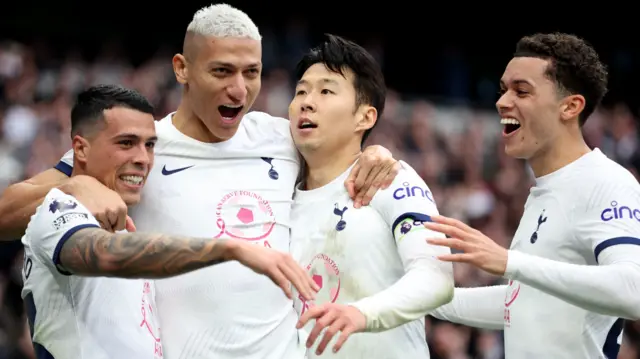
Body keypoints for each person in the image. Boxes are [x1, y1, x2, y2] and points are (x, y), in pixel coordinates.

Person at [0, 4, 399, 359]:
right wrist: (70, 186)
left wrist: (374, 153)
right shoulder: (140, 149)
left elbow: (346, 151)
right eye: (222, 71)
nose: (239, 89)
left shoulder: (282, 138)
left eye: (251, 72)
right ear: (182, 69)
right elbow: (6, 212)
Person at [22, 84, 317, 359]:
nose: (143, 158)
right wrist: (229, 249)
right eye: (126, 143)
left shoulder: (127, 215)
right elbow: (105, 254)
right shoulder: (58, 208)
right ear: (81, 149)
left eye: (149, 145)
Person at [426, 33, 640, 358]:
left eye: (521, 91)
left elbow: (634, 290)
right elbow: (524, 303)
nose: (502, 101)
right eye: (503, 89)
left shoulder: (608, 182)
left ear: (570, 106)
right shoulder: (544, 190)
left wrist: (510, 262)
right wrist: (425, 298)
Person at [288, 35, 454, 358]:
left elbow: (436, 279)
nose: (307, 101)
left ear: (365, 117)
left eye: (326, 90)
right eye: (301, 91)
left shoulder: (391, 179)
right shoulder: (280, 199)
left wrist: (361, 313)